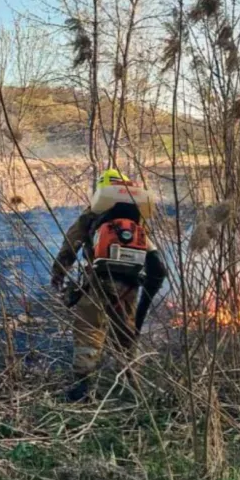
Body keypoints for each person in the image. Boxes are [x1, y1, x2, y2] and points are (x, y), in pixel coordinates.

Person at [50, 169, 168, 402]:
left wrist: (58, 272)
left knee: (89, 331)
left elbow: (71, 244)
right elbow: (154, 261)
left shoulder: (93, 214)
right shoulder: (136, 218)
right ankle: (128, 389)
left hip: (96, 282)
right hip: (129, 286)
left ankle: (81, 389)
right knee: (125, 336)